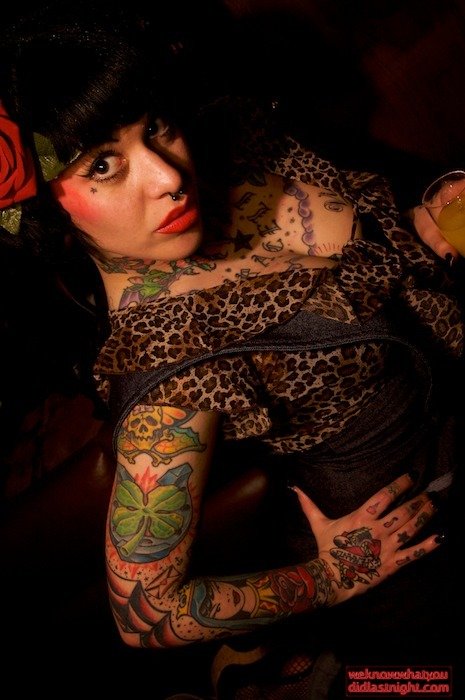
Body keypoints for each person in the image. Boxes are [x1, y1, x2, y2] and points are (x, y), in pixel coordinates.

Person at [0, 3, 462, 696]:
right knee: (421, 684)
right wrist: (328, 578)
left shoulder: (231, 140)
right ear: (47, 211)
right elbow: (146, 613)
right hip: (413, 542)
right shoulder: (168, 366)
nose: (168, 176)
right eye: (104, 164)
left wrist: (421, 223)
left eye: (154, 127)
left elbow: (361, 255)